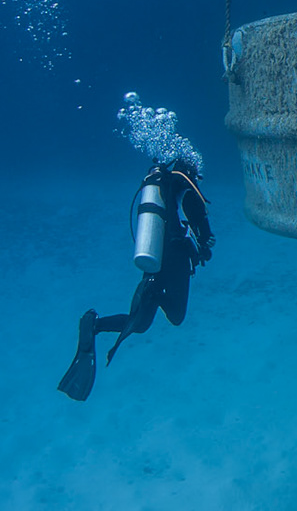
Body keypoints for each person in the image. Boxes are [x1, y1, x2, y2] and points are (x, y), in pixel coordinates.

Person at [57, 160, 214, 402]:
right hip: (175, 263)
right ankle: (152, 294)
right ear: (193, 172)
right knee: (176, 316)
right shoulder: (187, 188)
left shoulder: (163, 187)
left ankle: (95, 324)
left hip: (156, 259)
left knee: (140, 324)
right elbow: (199, 232)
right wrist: (204, 248)